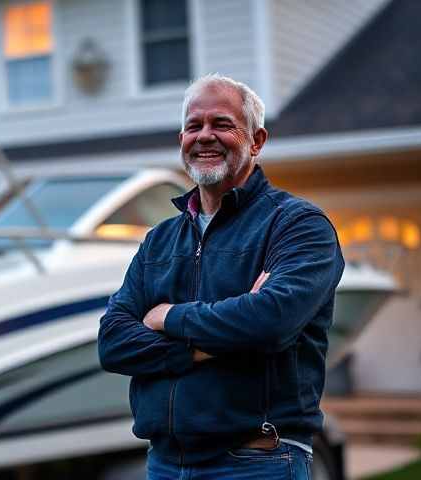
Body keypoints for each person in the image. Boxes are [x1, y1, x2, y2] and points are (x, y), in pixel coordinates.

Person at [97, 73, 345, 479]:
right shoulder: (159, 241)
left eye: (222, 124)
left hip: (257, 461)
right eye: (194, 126)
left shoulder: (298, 226)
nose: (205, 136)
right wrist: (201, 348)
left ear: (257, 141)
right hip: (165, 464)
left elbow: (270, 321)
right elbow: (113, 343)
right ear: (181, 140)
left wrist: (167, 318)